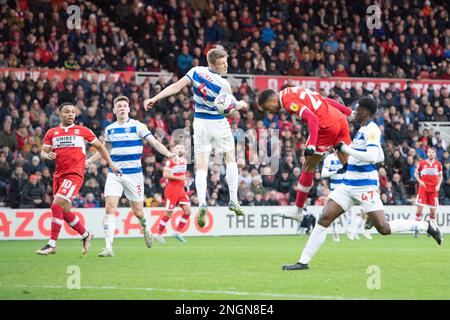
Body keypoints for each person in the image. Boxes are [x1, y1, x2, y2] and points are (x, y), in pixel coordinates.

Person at [281, 96, 442, 271]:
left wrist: (346, 149)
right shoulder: (361, 130)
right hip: (348, 184)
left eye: (356, 109)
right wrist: (349, 151)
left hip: (365, 186)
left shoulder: (371, 130)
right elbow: (379, 155)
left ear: (364, 112)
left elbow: (372, 157)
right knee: (324, 218)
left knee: (383, 228)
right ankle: (303, 262)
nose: (354, 112)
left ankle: (428, 226)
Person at [143, 48, 247, 227]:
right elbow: (232, 107)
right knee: (230, 160)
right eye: (223, 63)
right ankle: (234, 199)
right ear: (213, 64)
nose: (226, 65)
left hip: (200, 123)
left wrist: (155, 97)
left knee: (201, 167)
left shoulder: (196, 71)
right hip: (218, 124)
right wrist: (242, 104)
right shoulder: (224, 85)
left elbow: (176, 87)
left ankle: (202, 203)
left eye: (226, 62)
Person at [85, 96, 173, 257]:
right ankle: (108, 247)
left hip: (134, 175)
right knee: (110, 207)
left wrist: (169, 154)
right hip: (115, 174)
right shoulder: (110, 129)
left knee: (138, 212)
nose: (122, 108)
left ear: (129, 109)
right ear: (114, 110)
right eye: (119, 106)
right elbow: (104, 150)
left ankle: (145, 228)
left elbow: (154, 143)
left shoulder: (138, 126)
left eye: (125, 106)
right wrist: (90, 160)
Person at [36, 102, 121, 256]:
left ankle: (52, 244)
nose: (70, 115)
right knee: (65, 212)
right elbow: (43, 152)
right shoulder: (52, 132)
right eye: (67, 112)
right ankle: (86, 235)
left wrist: (111, 164)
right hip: (58, 176)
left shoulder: (82, 131)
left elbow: (101, 147)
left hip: (74, 174)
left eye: (73, 112)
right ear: (60, 114)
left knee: (56, 207)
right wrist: (47, 155)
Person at [258, 86, 353, 220]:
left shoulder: (287, 102)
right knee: (351, 167)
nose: (269, 111)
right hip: (340, 120)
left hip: (326, 126)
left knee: (308, 167)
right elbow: (323, 99)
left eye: (267, 107)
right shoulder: (292, 90)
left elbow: (313, 118)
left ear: (273, 100)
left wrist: (312, 144)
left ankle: (298, 211)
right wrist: (348, 112)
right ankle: (370, 205)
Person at [154, 144, 191, 244]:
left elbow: (181, 174)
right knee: (169, 213)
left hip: (181, 190)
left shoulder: (184, 160)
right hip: (172, 190)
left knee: (188, 211)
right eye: (178, 148)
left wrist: (184, 180)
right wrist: (180, 178)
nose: (180, 149)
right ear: (174, 150)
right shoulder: (170, 161)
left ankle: (177, 232)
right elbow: (165, 175)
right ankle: (158, 234)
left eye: (182, 148)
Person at [414, 148, 442, 237]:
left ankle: (431, 230)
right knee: (419, 209)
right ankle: (417, 229)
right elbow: (416, 173)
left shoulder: (438, 164)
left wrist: (438, 185)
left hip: (433, 190)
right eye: (429, 152)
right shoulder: (422, 163)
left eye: (433, 152)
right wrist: (420, 181)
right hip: (423, 189)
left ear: (435, 154)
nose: (431, 154)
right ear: (427, 153)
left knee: (433, 212)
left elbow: (441, 176)